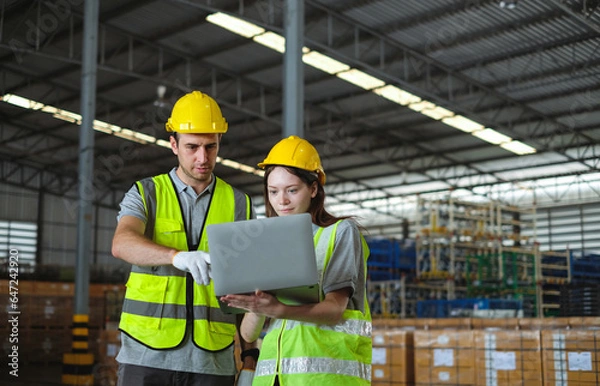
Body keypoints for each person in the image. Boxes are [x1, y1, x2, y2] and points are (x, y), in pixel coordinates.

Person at [111, 90, 258, 386]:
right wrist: (176, 257)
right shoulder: (146, 193)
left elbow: (245, 287)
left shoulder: (239, 203)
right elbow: (122, 242)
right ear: (173, 145)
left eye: (210, 147)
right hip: (145, 355)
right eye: (192, 147)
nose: (203, 158)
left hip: (212, 360)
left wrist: (250, 358)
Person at [220, 135, 372, 386]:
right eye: (273, 191)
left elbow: (335, 310)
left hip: (324, 378)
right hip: (273, 378)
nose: (282, 201)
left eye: (292, 190)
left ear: (313, 189)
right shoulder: (265, 243)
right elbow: (248, 333)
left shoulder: (340, 233)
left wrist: (278, 309)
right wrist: (258, 307)